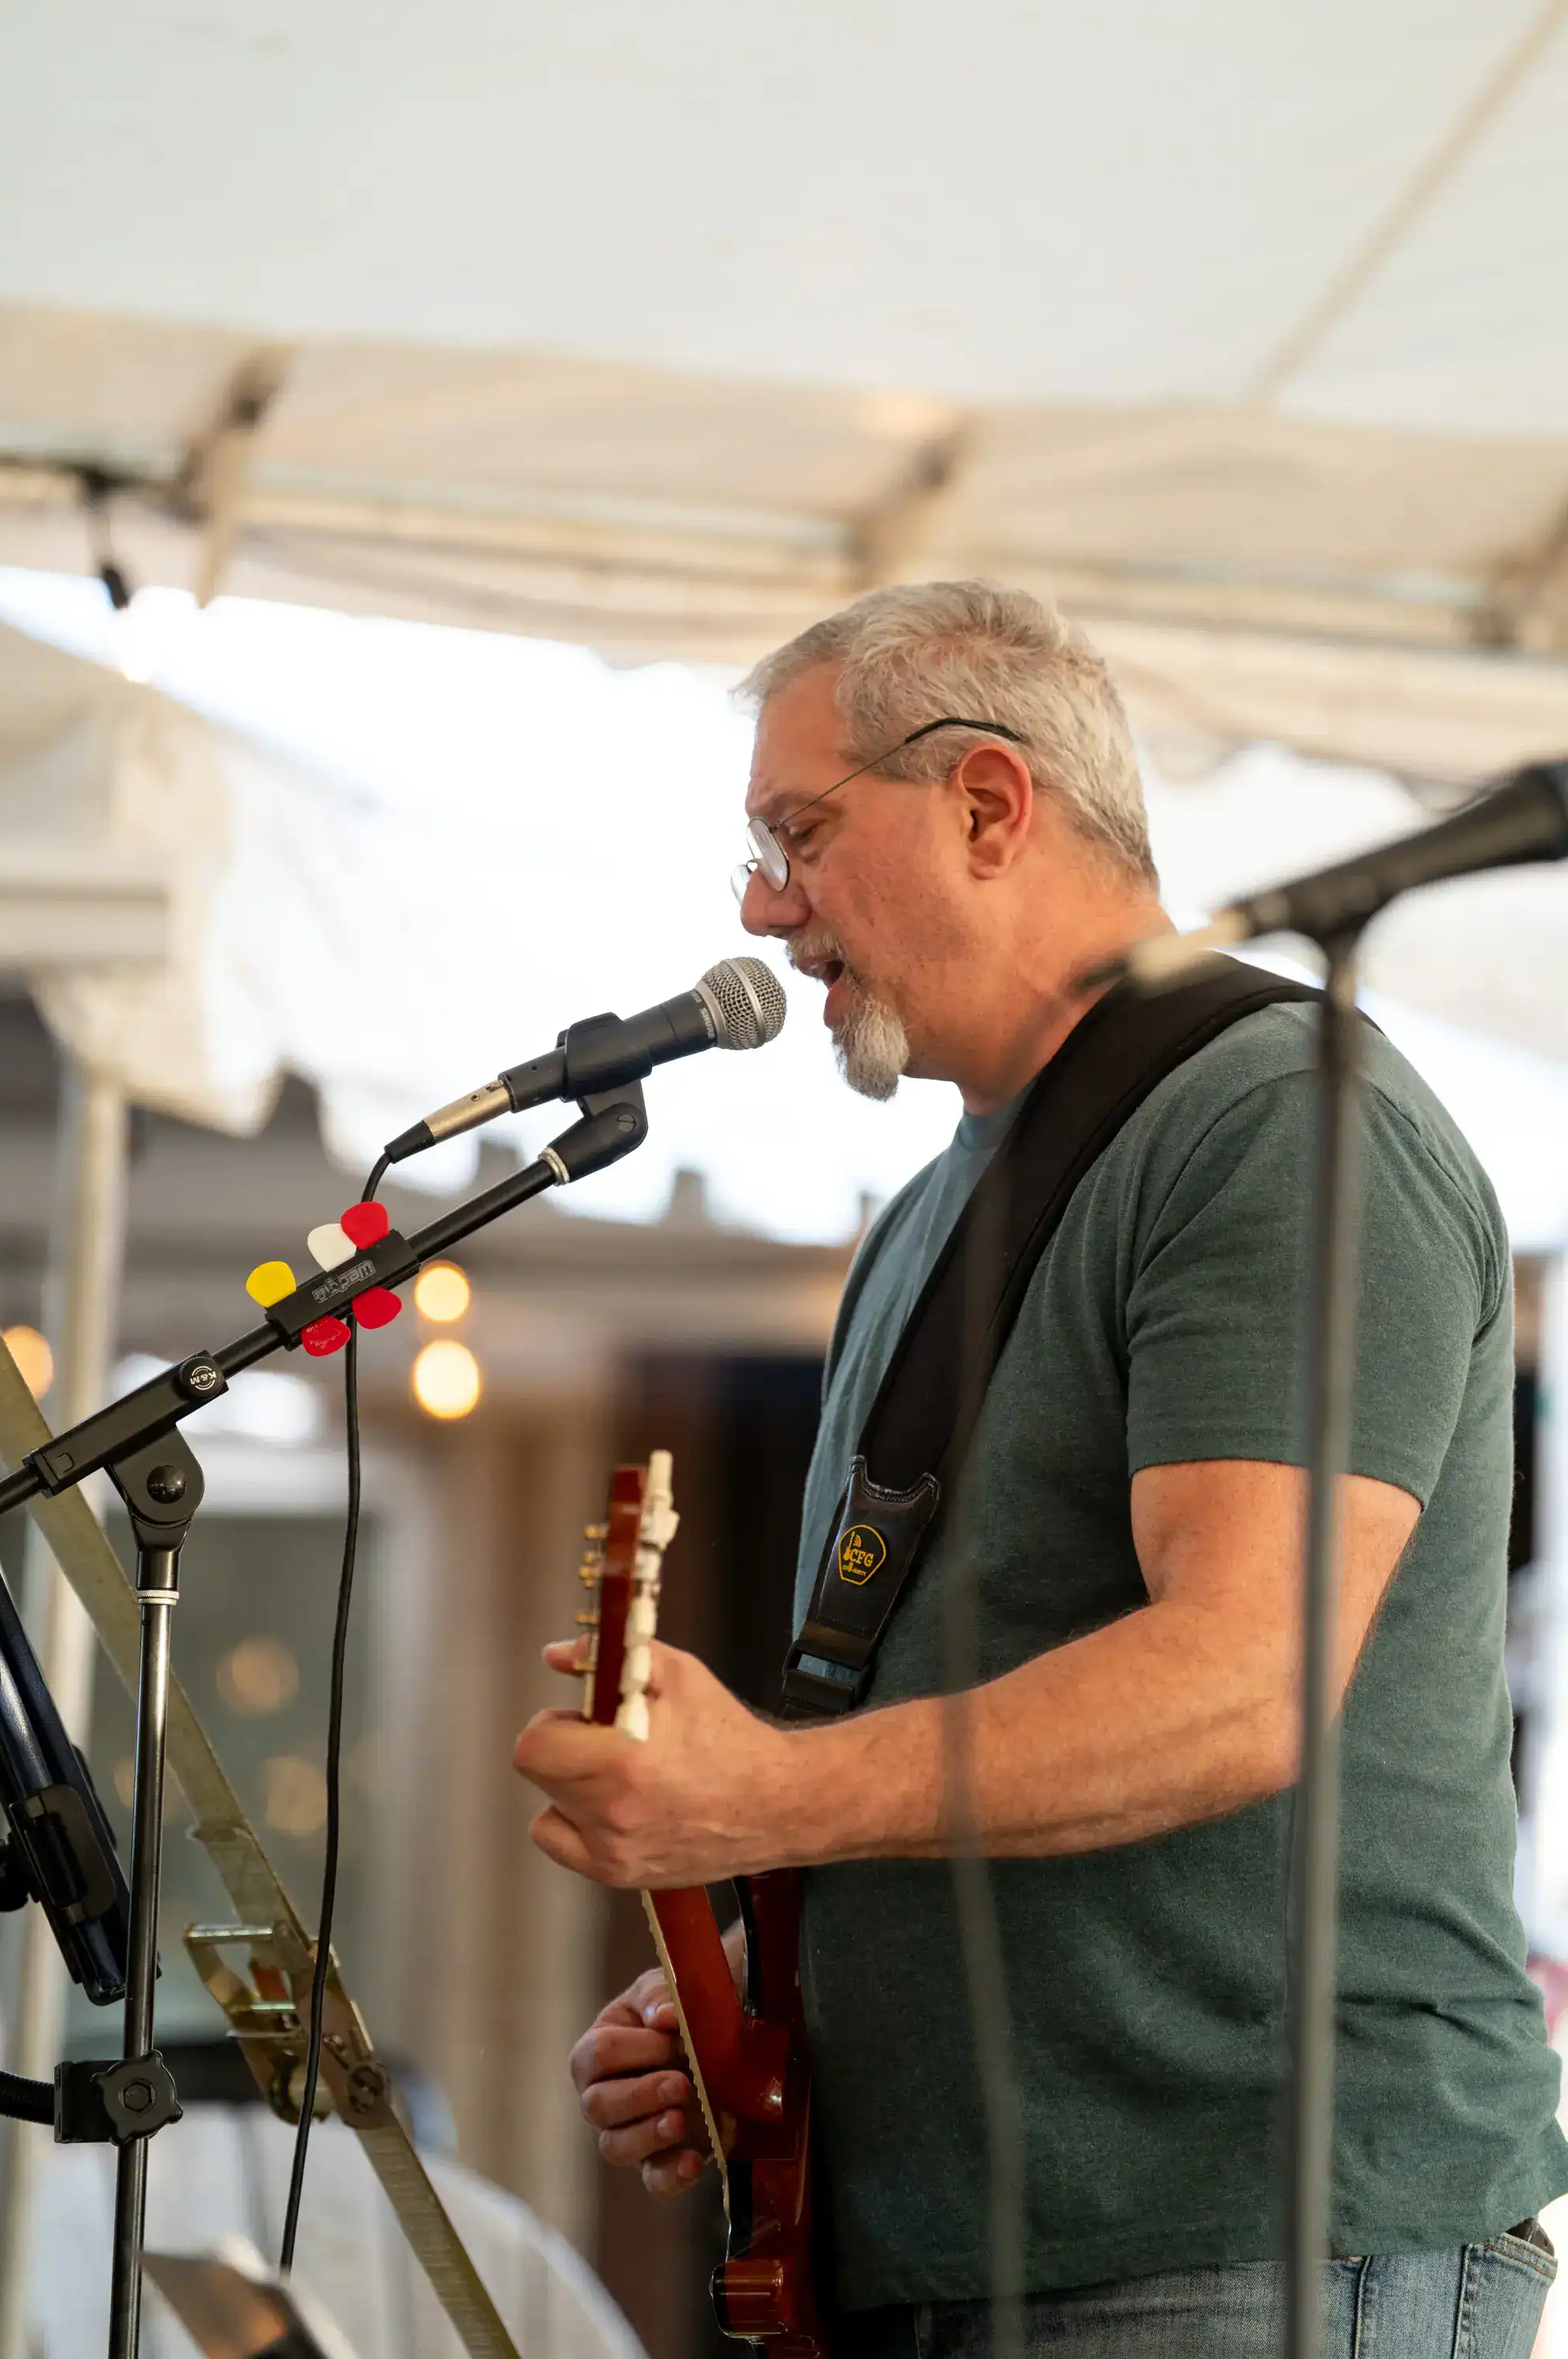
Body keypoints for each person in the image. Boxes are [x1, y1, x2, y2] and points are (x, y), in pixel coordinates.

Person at [515, 582, 1567, 2356]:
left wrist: (763, 1800)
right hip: (979, 2250)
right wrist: (774, 1996)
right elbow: (958, 1721)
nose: (770, 912)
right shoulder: (934, 1212)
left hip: (1252, 2240)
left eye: (797, 834)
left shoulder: (1279, 1124)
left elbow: (1238, 1686)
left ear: (991, 805)